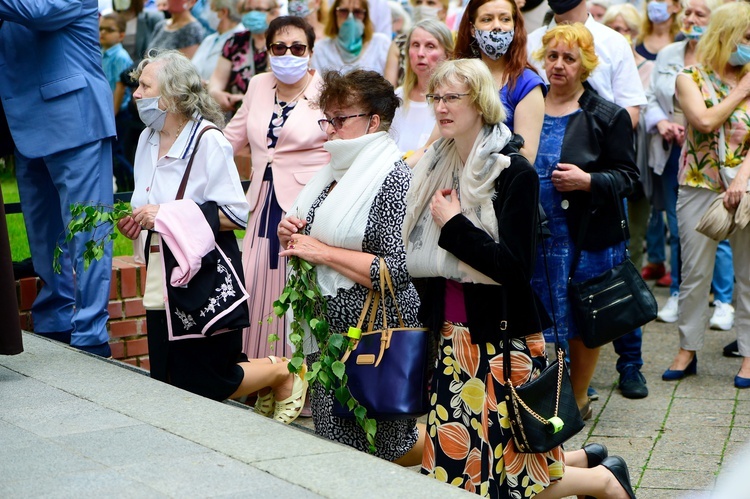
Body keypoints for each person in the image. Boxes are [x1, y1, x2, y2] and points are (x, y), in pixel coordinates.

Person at [405, 58, 636, 499]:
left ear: (480, 103)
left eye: (453, 97)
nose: (441, 107)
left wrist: (454, 225)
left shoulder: (514, 173)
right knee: (456, 467)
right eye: (437, 97)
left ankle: (604, 482)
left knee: (514, 478)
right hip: (452, 337)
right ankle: (591, 466)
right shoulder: (434, 165)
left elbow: (514, 268)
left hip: (500, 339)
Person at [116, 50, 307, 422]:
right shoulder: (145, 140)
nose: (135, 94)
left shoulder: (208, 142)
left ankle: (280, 371)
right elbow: (150, 207)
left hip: (200, 276)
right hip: (161, 275)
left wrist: (166, 215)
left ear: (170, 96)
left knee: (208, 380)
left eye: (144, 86)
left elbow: (236, 214)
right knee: (168, 376)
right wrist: (137, 221)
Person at [276, 69, 424, 465]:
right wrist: (287, 232)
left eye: (340, 119)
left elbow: (395, 270)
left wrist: (320, 252)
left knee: (381, 448)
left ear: (373, 121)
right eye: (327, 118)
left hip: (373, 334)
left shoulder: (392, 177)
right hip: (330, 336)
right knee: (337, 441)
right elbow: (308, 234)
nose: (330, 129)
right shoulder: (334, 172)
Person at [527, 0, 649, 401]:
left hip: (584, 235)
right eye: (552, 56)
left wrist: (589, 181)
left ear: (586, 65)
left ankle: (578, 397)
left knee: (585, 316)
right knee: (544, 317)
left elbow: (629, 177)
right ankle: (548, 392)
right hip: (538, 235)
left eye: (569, 58)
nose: (559, 65)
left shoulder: (606, 115)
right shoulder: (527, 107)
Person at [0, 0, 116, 357]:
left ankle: (91, 335)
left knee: (87, 234)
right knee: (43, 237)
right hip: (23, 127)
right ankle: (55, 322)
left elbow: (39, 14)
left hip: (75, 122)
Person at [224, 16, 329, 359]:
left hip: (306, 207)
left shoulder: (327, 92)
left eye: (297, 47)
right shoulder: (257, 85)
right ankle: (261, 374)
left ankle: (302, 383)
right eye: (279, 47)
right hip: (260, 203)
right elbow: (230, 139)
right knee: (254, 285)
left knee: (299, 290)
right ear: (267, 50)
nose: (288, 54)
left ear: (310, 52)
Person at [662, 2, 750, 388]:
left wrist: (741, 180)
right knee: (695, 273)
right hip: (698, 184)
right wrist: (742, 91)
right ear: (725, 36)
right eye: (746, 37)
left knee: (748, 275)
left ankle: (749, 353)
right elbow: (703, 120)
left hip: (745, 187)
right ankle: (688, 348)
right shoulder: (689, 77)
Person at [644, 0, 733, 334]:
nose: (691, 19)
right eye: (688, 13)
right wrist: (662, 124)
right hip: (673, 152)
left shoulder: (722, 58)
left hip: (716, 156)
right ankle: (680, 292)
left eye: (700, 14)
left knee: (719, 228)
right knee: (679, 227)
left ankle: (723, 300)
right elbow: (652, 97)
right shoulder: (669, 54)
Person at [454, 0, 546, 163]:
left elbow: (526, 158)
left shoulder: (527, 84)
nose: (497, 26)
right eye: (487, 19)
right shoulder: (457, 76)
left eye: (505, 19)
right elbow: (434, 143)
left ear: (514, 26)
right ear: (472, 29)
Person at [390, 19, 453, 154]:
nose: (420, 53)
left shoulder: (450, 102)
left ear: (448, 55)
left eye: (430, 46)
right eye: (415, 45)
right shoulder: (398, 96)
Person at [208, 0, 280, 113]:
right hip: (237, 112)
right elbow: (217, 78)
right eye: (248, 10)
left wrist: (248, 99)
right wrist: (216, 92)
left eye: (258, 9)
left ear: (274, 12)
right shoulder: (235, 41)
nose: (252, 14)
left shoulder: (283, 42)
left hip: (270, 112)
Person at [310, 0, 391, 74]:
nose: (350, 17)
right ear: (335, 14)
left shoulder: (381, 44)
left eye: (357, 12)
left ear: (365, 16)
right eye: (343, 11)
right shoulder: (321, 49)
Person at [384, 0, 449, 87]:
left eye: (430, 3)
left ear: (444, 11)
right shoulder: (399, 42)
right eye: (418, 2)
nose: (422, 7)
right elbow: (389, 88)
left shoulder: (455, 40)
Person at [191, 0, 246, 81]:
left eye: (212, 9)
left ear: (223, 12)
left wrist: (206, 85)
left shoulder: (241, 40)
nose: (208, 15)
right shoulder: (209, 39)